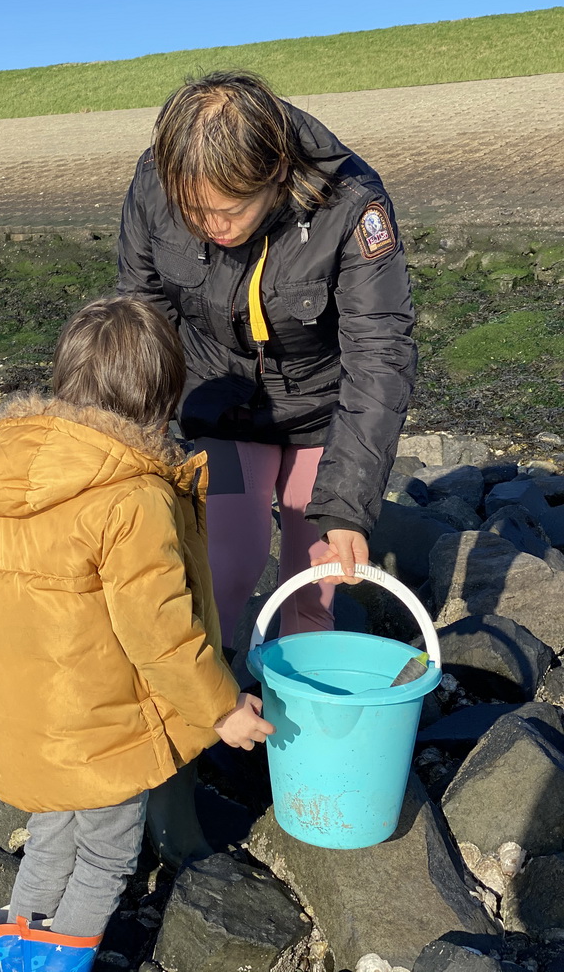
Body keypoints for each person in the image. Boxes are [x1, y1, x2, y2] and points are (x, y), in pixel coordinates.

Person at [0, 296, 274, 972]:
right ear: (160, 403)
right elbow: (159, 633)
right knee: (106, 855)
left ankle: (16, 955)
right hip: (101, 731)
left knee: (50, 841)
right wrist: (222, 709)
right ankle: (56, 966)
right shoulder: (133, 497)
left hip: (23, 725)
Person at [118, 70, 416, 648]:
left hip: (324, 412)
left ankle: (300, 721)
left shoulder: (354, 206)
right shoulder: (156, 181)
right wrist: (135, 439)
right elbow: (141, 316)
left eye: (228, 210)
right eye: (193, 211)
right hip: (219, 401)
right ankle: (209, 709)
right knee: (227, 565)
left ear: (276, 171)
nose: (210, 227)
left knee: (311, 582)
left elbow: (380, 354)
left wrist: (348, 507)